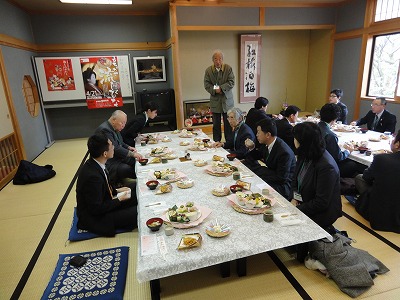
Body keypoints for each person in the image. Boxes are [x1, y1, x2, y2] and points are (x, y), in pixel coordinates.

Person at [76, 133, 137, 237]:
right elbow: (96, 209)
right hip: (96, 217)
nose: (114, 147)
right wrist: (119, 199)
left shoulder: (96, 163)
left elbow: (105, 188)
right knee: (137, 212)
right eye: (111, 146)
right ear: (105, 153)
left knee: (136, 191)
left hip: (106, 201)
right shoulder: (92, 177)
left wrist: (117, 191)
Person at [291, 122, 342, 233]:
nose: (293, 141)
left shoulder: (326, 166)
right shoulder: (305, 153)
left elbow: (321, 202)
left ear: (303, 141)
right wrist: (295, 199)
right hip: (304, 202)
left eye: (295, 138)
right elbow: (295, 180)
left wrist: (297, 209)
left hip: (321, 212)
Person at [354, 130, 400, 233]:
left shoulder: (382, 159)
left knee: (359, 178)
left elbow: (366, 177)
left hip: (381, 216)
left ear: (397, 144)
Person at [243, 118, 296, 199]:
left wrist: (260, 172)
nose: (256, 135)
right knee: (248, 177)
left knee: (254, 188)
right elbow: (257, 156)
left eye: (258, 132)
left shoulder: (284, 152)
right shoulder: (267, 143)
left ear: (268, 135)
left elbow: (281, 178)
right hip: (273, 177)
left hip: (283, 186)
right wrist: (251, 147)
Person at [95, 110, 143, 186]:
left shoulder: (114, 127)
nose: (123, 125)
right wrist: (132, 154)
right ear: (114, 120)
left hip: (117, 156)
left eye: (125, 123)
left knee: (136, 162)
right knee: (127, 168)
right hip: (110, 161)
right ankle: (135, 183)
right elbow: (116, 148)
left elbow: (120, 142)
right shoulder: (105, 130)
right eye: (122, 123)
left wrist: (129, 147)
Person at [319, 103, 366, 178]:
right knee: (352, 165)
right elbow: (338, 157)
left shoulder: (314, 127)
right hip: (326, 168)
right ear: (335, 119)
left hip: (314, 163)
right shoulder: (330, 135)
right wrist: (348, 151)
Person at [204, 50, 235, 143]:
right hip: (215, 101)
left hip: (227, 101)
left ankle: (229, 143)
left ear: (222, 60)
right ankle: (216, 142)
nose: (218, 61)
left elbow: (231, 82)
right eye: (216, 59)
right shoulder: (208, 70)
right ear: (213, 60)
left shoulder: (228, 68)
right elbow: (206, 84)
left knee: (228, 123)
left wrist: (221, 88)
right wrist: (215, 89)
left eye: (220, 59)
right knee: (216, 124)